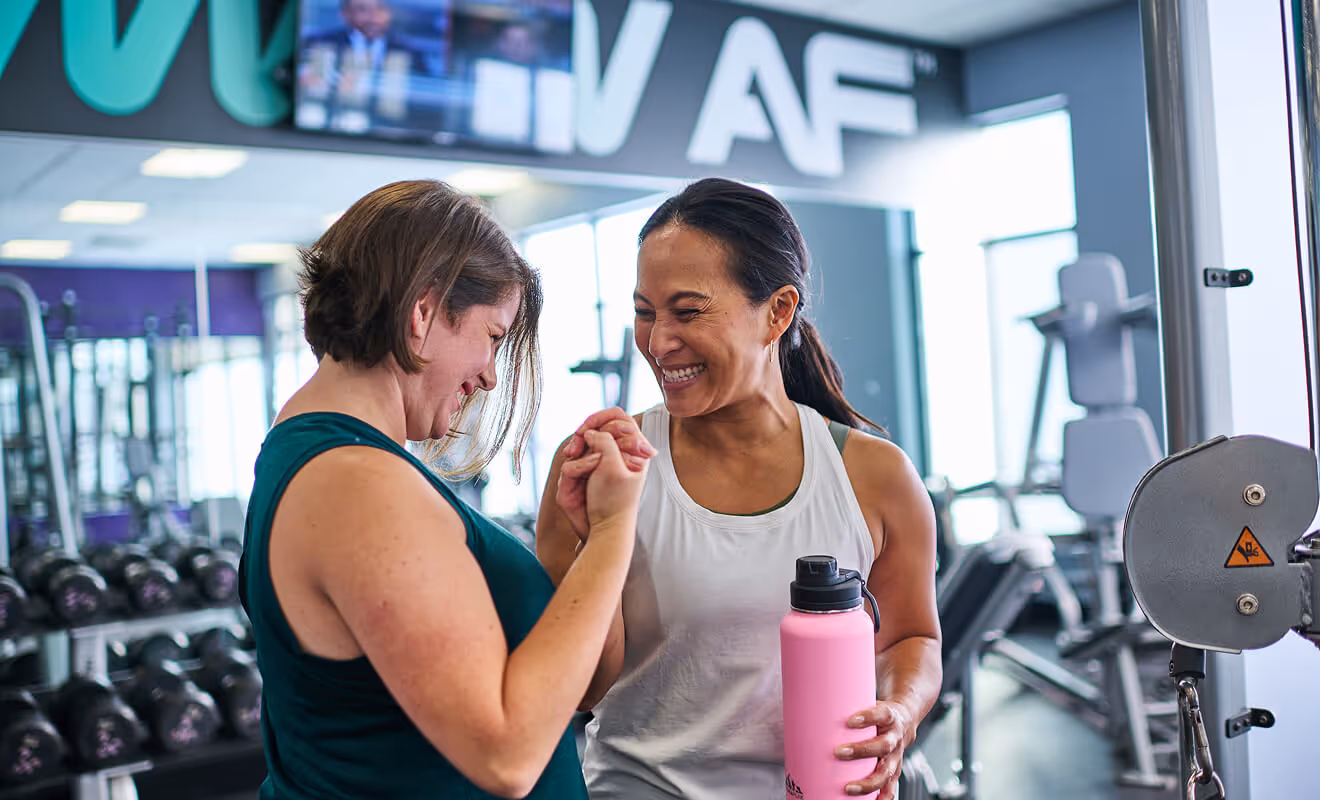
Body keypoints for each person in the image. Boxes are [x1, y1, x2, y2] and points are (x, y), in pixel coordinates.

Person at [239, 179, 655, 799]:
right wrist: (620, 530)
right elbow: (508, 755)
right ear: (423, 314)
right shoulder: (359, 486)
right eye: (492, 336)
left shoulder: (329, 458)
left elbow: (581, 687)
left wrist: (590, 541)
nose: (489, 376)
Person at [537, 178, 943, 800]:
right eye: (645, 311)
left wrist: (900, 713)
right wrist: (601, 540)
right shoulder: (605, 470)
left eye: (688, 310)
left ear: (777, 311)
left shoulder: (875, 476)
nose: (659, 340)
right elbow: (582, 690)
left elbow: (912, 637)